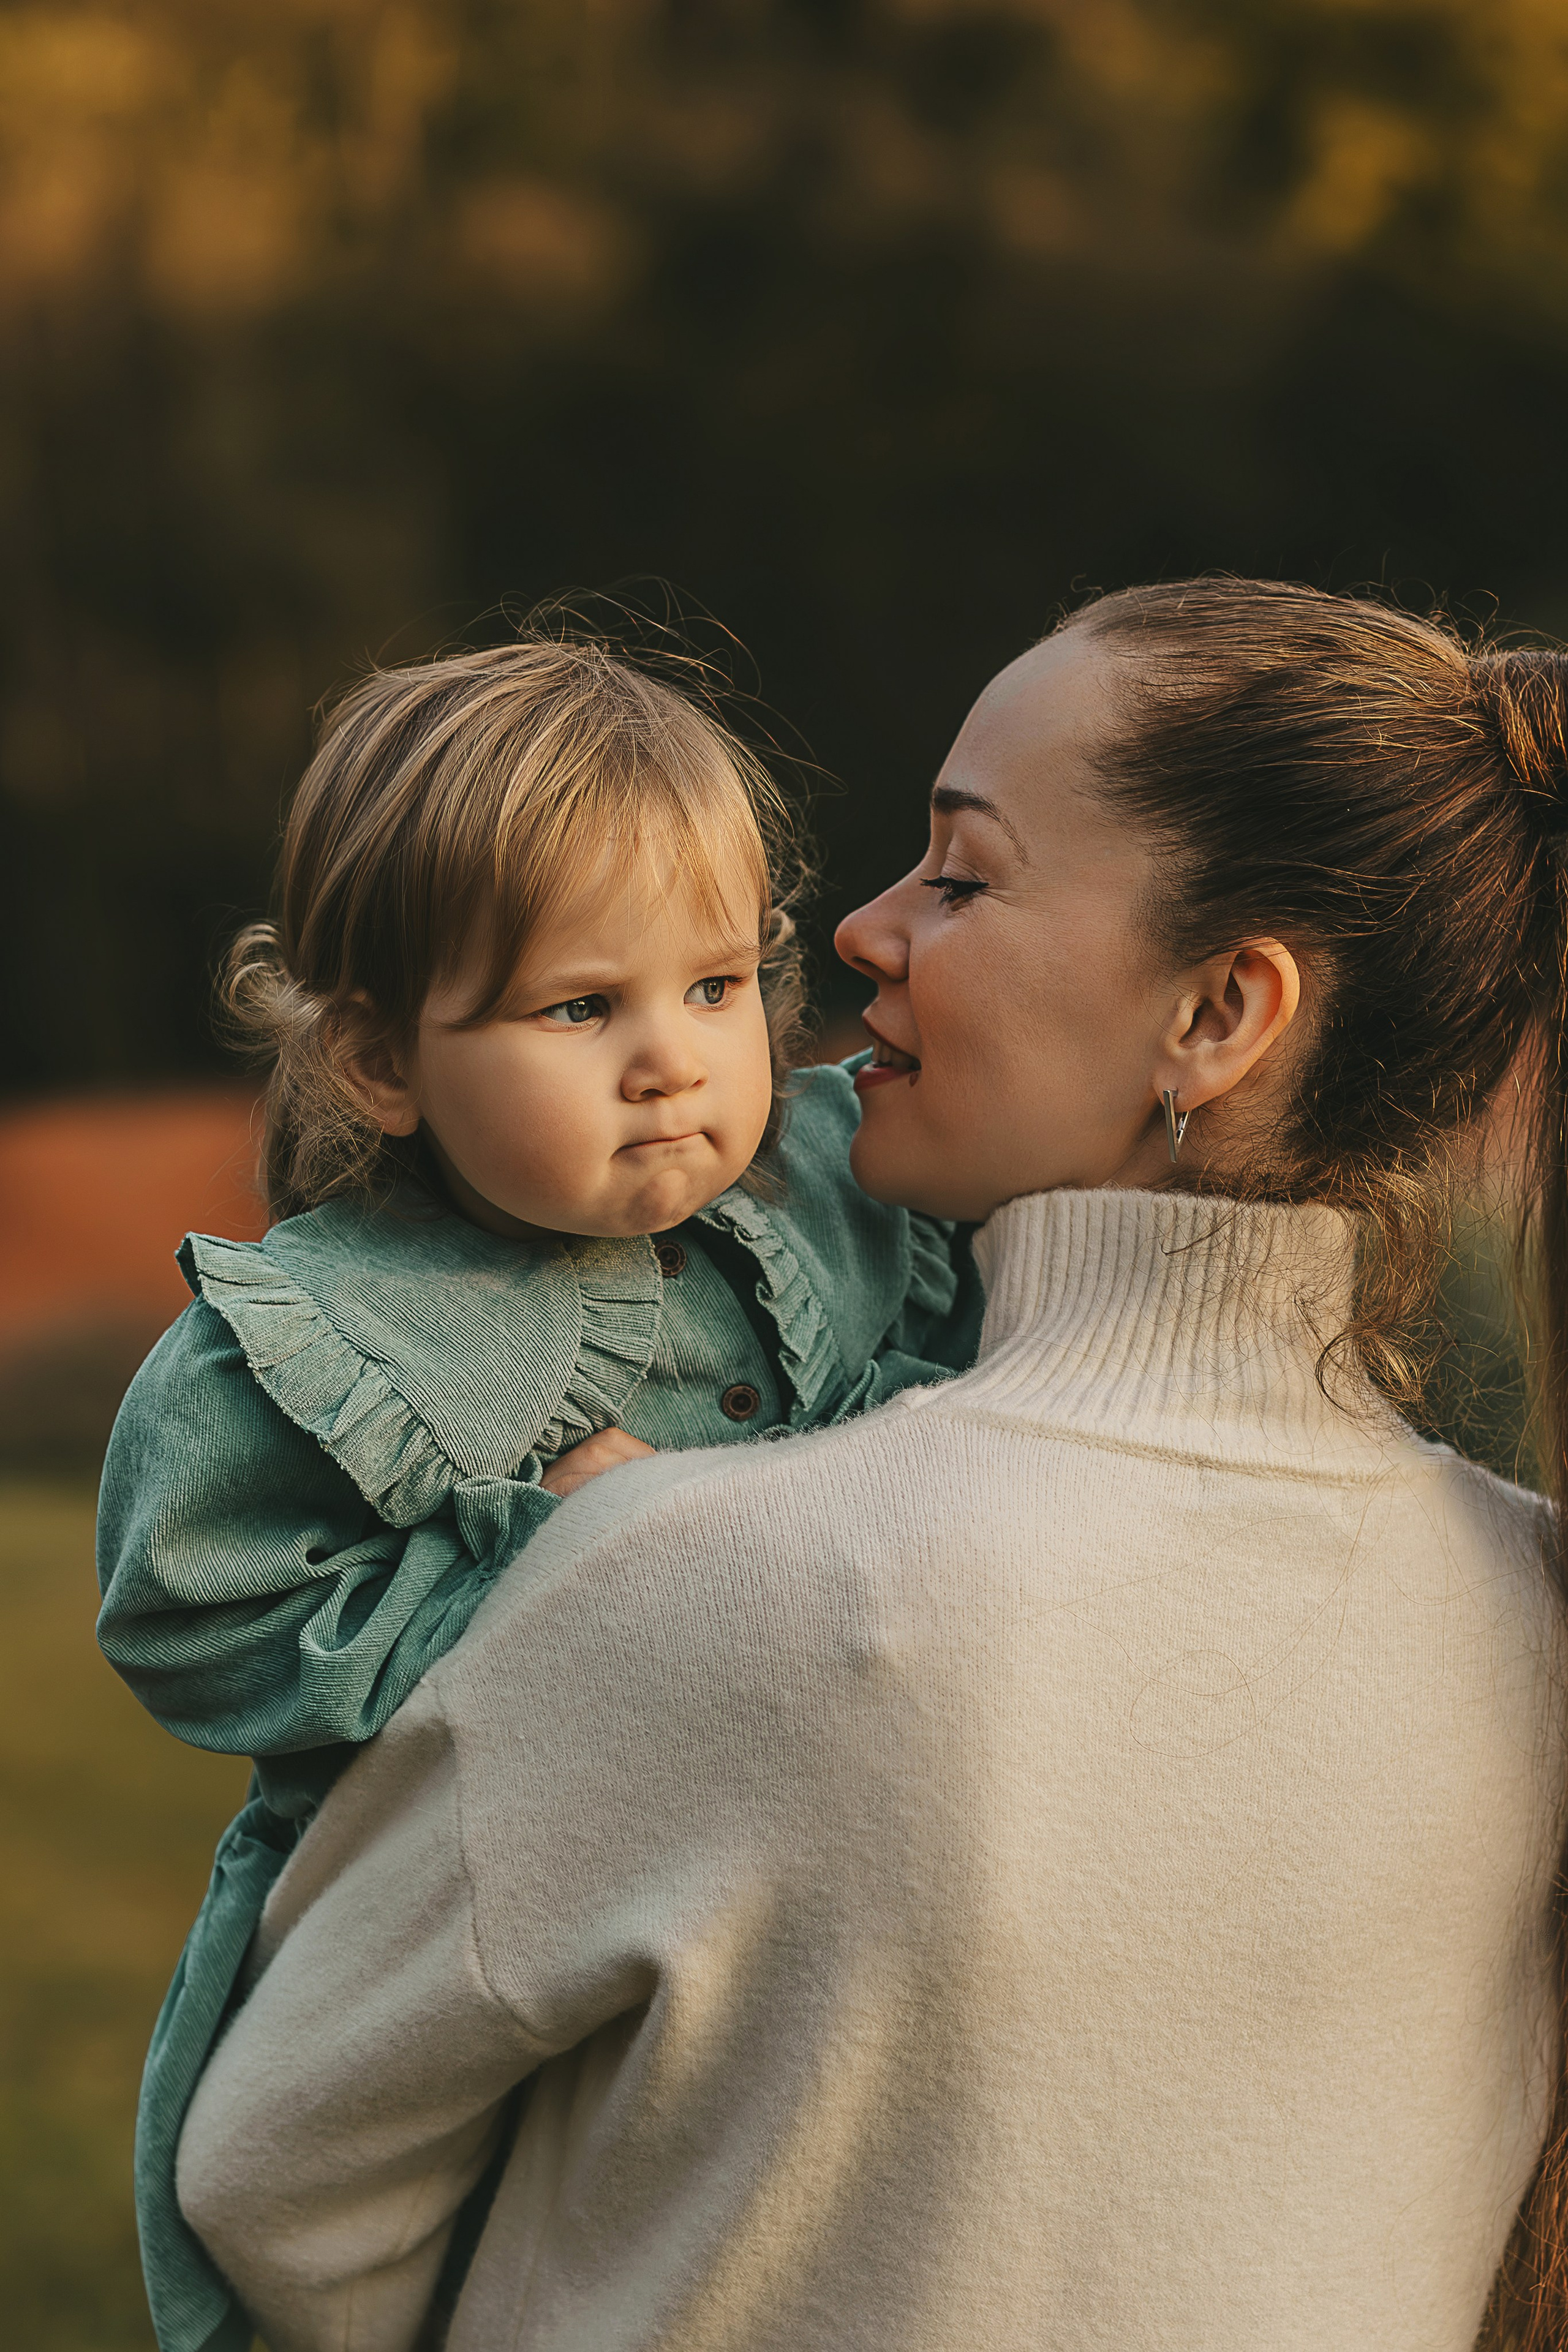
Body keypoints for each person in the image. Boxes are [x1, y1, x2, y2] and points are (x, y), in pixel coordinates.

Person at [178, 580, 1568, 2351]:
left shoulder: (714, 1572)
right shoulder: (1534, 1612)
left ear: (1221, 1012)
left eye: (964, 876)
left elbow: (273, 2179)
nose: (855, 930)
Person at [95, 635, 982, 2352]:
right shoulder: (324, 1325)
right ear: (377, 1062)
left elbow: (973, 1378)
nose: (675, 1061)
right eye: (583, 1008)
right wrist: (538, 1559)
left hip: (797, 1884)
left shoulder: (840, 1181)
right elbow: (190, 1612)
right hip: (464, 1911)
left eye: (717, 986)